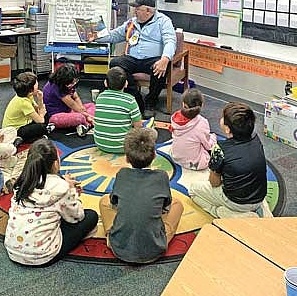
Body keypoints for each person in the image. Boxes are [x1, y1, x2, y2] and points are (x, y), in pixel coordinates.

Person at [4, 138, 98, 266]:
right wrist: (72, 192)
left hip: (13, 248)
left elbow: (45, 187)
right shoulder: (61, 188)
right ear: (55, 164)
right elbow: (77, 216)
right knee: (91, 216)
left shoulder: (23, 182)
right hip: (43, 255)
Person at [99, 129, 183, 264]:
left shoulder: (122, 174)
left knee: (104, 201)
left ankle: (110, 235)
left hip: (118, 248)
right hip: (155, 249)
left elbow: (114, 203)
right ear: (155, 155)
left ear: (126, 158)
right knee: (177, 205)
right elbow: (166, 205)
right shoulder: (162, 176)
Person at [94, 0, 177, 117]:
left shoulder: (163, 21)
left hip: (152, 59)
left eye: (137, 9)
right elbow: (114, 35)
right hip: (132, 58)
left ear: (148, 10)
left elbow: (170, 41)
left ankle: (150, 102)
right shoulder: (131, 23)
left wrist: (165, 58)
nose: (134, 12)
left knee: (159, 67)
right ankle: (135, 97)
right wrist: (95, 37)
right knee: (115, 63)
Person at [189, 102, 268, 218]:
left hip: (235, 201)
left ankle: (222, 213)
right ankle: (260, 209)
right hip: (259, 196)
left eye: (223, 118)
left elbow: (214, 183)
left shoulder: (220, 149)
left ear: (227, 129)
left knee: (193, 190)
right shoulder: (256, 139)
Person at [93, 66, 143, 154]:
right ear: (126, 83)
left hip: (100, 144)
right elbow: (138, 126)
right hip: (123, 147)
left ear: (105, 83)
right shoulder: (130, 100)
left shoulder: (100, 97)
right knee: (148, 128)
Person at [42, 63, 95, 137]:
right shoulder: (55, 87)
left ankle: (84, 125)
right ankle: (86, 124)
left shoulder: (68, 83)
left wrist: (82, 109)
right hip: (57, 115)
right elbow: (72, 104)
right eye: (70, 83)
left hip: (69, 110)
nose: (72, 85)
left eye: (74, 82)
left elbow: (76, 97)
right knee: (80, 117)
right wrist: (87, 115)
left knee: (92, 105)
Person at [170, 88, 216, 170]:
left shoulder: (175, 117)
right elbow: (208, 146)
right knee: (213, 143)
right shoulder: (202, 122)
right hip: (195, 164)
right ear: (202, 105)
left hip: (176, 157)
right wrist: (213, 138)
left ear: (183, 104)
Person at [2, 72, 48, 143]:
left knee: (45, 116)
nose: (38, 85)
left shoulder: (28, 96)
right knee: (41, 127)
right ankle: (22, 139)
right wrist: (42, 114)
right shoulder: (23, 102)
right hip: (14, 131)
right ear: (30, 91)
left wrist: (40, 100)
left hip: (24, 123)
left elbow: (37, 109)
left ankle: (33, 137)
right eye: (36, 84)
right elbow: (40, 121)